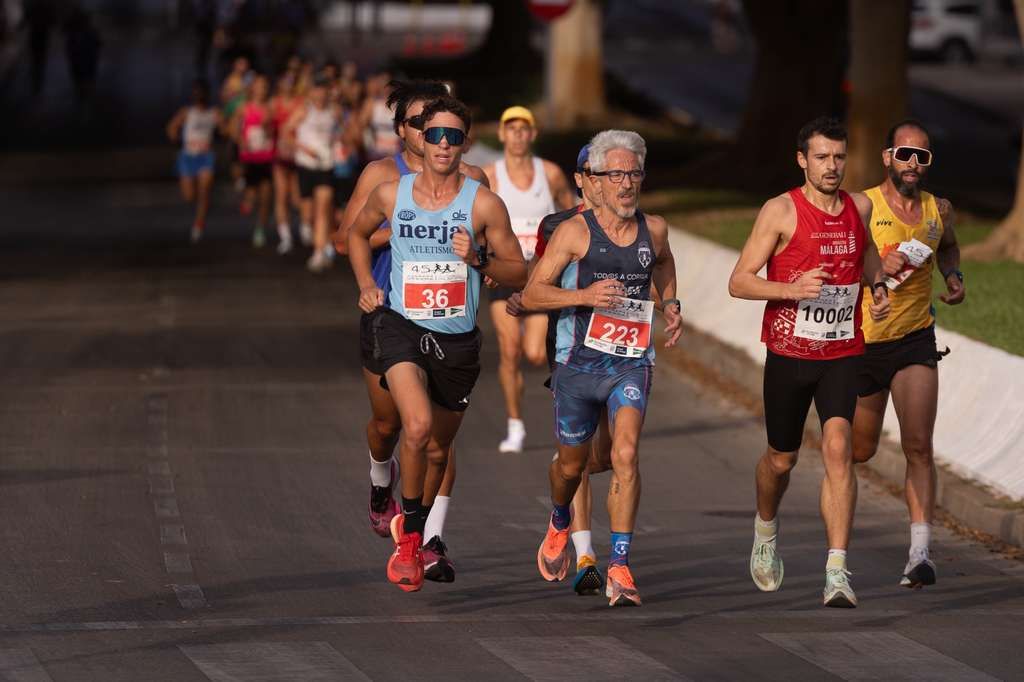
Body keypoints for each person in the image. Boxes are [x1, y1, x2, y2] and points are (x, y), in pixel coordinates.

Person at [347, 96, 526, 592]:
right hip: (401, 326)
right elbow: (357, 236)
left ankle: (420, 523)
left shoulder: (483, 202)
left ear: (464, 142)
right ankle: (408, 543)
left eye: (454, 136)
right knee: (416, 426)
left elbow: (519, 271)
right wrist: (367, 283)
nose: (444, 144)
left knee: (439, 451)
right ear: (419, 140)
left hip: (458, 338)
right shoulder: (390, 193)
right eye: (435, 135)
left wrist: (481, 260)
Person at [727, 117, 891, 608]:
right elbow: (739, 281)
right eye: (822, 157)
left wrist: (878, 287)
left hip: (842, 351)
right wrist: (790, 289)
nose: (832, 166)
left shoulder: (859, 206)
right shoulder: (780, 210)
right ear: (803, 160)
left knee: (839, 448)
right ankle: (765, 528)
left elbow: (869, 256)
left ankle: (837, 570)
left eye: (839, 157)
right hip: (790, 354)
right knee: (782, 459)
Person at [523, 130, 682, 607]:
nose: (626, 183)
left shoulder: (654, 230)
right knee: (572, 467)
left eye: (634, 173)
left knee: (626, 455)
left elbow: (664, 262)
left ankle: (620, 565)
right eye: (616, 174)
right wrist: (584, 297)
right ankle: (558, 517)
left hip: (631, 361)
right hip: (577, 365)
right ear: (594, 180)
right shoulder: (574, 231)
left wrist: (671, 303)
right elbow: (533, 293)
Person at [851, 119, 964, 589]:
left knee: (919, 445)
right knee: (861, 449)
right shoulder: (861, 205)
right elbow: (843, 259)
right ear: (887, 157)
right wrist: (876, 268)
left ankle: (919, 554)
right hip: (863, 342)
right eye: (904, 154)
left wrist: (954, 277)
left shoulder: (940, 210)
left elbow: (949, 248)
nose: (913, 164)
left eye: (922, 156)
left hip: (915, 338)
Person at [508, 144, 611, 595]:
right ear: (581, 179)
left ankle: (562, 475)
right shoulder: (557, 225)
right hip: (570, 348)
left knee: (600, 457)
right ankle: (586, 553)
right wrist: (529, 316)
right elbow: (537, 281)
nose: (606, 181)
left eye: (613, 173)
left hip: (619, 351)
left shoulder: (636, 225)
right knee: (584, 455)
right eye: (595, 173)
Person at [483, 106, 575, 453]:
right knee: (509, 350)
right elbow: (478, 221)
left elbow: (573, 213)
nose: (518, 135)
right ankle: (515, 425)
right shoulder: (490, 175)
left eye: (524, 129)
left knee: (536, 354)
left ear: (532, 134)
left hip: (542, 275)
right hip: (505, 273)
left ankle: (558, 422)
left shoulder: (549, 173)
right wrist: (484, 261)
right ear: (503, 135)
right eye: (512, 129)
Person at [285, 76, 340, 272]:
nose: (321, 94)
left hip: (326, 166)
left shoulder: (333, 112)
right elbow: (286, 132)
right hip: (306, 165)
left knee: (323, 207)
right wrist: (303, 148)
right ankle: (316, 239)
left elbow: (341, 133)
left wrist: (339, 146)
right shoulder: (304, 111)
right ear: (311, 92)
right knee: (308, 214)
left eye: (324, 90)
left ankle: (319, 252)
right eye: (317, 90)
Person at [166, 79, 222, 243]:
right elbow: (171, 127)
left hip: (205, 156)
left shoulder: (213, 113)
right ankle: (201, 205)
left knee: (204, 191)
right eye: (197, 92)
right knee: (189, 196)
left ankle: (199, 224)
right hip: (188, 156)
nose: (199, 96)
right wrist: (176, 140)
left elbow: (225, 128)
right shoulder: (186, 112)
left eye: (202, 92)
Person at [234, 74, 275, 247]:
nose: (261, 90)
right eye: (258, 86)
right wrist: (241, 141)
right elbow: (235, 128)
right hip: (250, 157)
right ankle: (247, 199)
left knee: (266, 195)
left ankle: (260, 228)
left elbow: (276, 131)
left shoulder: (271, 108)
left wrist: (269, 128)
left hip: (266, 156)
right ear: (253, 88)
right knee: (252, 192)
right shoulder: (244, 108)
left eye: (264, 86)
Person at [270, 73, 303, 254]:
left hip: (298, 155)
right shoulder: (275, 104)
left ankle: (305, 227)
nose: (289, 85)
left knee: (297, 199)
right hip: (280, 155)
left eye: (292, 82)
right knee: (281, 195)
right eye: (286, 81)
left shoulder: (300, 103)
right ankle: (285, 236)